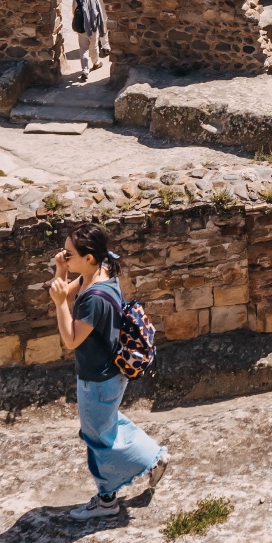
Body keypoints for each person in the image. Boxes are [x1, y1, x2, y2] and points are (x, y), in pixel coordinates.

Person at [50, 223, 167, 520]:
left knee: (98, 440)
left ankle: (106, 500)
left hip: (97, 379)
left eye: (69, 253)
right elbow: (72, 287)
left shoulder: (95, 299)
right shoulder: (102, 272)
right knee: (107, 424)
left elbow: (71, 339)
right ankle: (154, 458)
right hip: (109, 375)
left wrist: (59, 302)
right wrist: (61, 272)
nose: (64, 255)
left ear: (89, 258)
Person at [71, 0, 106, 81]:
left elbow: (73, 11)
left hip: (81, 28)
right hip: (93, 28)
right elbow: (99, 14)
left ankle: (85, 70)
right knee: (94, 47)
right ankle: (96, 63)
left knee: (83, 49)